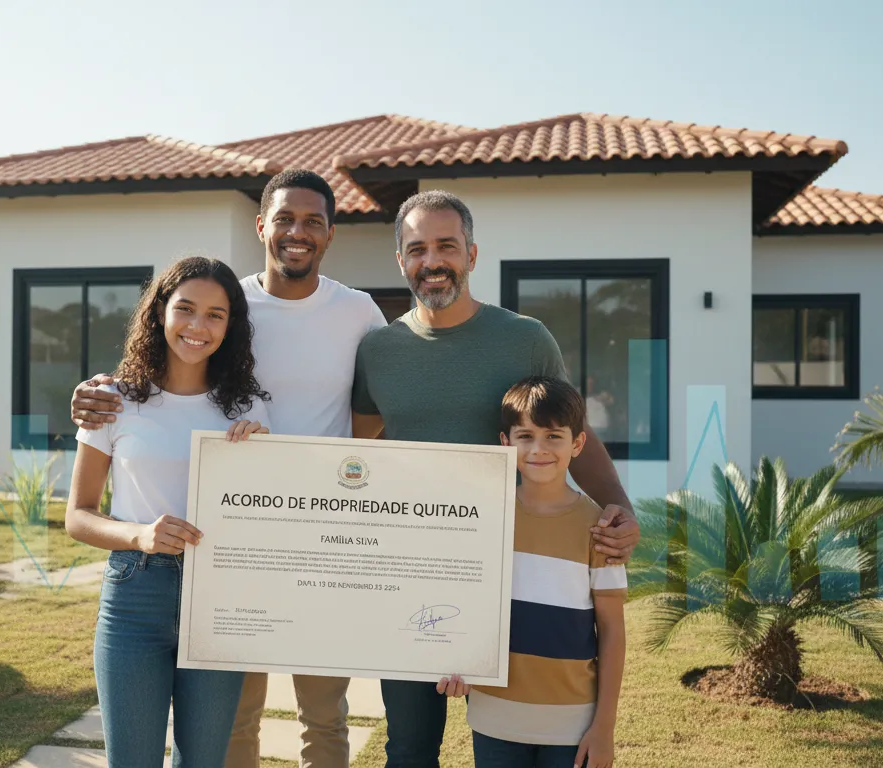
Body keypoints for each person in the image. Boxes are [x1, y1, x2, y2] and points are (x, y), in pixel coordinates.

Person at [68, 169, 387, 768]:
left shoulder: (359, 313)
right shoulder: (228, 299)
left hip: (322, 538)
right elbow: (150, 379)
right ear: (261, 225)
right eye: (285, 218)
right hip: (232, 555)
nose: (298, 232)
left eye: (313, 221)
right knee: (236, 722)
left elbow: (387, 404)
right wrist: (90, 394)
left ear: (330, 233)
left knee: (324, 715)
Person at [349, 190, 640, 767]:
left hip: (514, 570)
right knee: (408, 746)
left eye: (446, 246)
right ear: (401, 261)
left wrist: (619, 507)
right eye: (417, 249)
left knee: (522, 738)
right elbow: (356, 453)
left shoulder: (524, 339)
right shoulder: (378, 350)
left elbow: (569, 431)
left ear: (472, 254)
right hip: (414, 572)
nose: (432, 261)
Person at [65, 256, 272, 768]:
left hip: (220, 600)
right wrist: (139, 535)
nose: (198, 326)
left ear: (232, 325)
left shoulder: (248, 410)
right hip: (135, 599)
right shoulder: (113, 400)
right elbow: (78, 514)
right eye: (186, 309)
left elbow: (264, 518)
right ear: (159, 313)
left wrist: (264, 459)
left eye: (216, 315)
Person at [440, 376, 626, 768]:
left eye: (553, 437)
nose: (539, 449)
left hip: (572, 727)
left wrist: (604, 727)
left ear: (577, 444)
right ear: (506, 443)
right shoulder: (482, 518)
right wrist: (453, 659)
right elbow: (460, 607)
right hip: (494, 720)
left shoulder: (601, 530)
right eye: (525, 436)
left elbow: (612, 632)